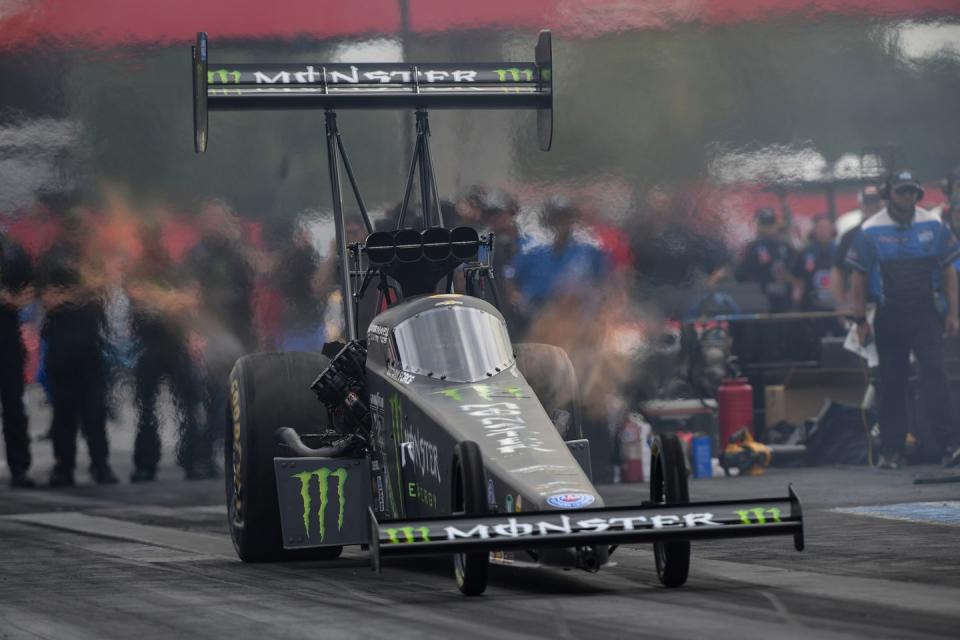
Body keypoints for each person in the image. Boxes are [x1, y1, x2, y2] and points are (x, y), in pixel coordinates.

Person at [846, 170, 960, 469]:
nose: (907, 196)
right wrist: (859, 321)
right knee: (891, 381)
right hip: (889, 314)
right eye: (901, 191)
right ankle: (891, 451)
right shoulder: (870, 230)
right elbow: (857, 278)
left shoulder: (934, 225)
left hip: (926, 312)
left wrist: (953, 313)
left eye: (912, 191)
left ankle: (951, 445)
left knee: (935, 375)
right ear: (889, 194)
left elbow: (950, 272)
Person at [37, 225, 118, 486]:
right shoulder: (51, 259)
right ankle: (64, 466)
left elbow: (104, 286)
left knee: (95, 413)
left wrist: (73, 292)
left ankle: (100, 464)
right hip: (61, 348)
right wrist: (82, 290)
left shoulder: (95, 259)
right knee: (64, 413)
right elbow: (49, 299)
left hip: (91, 348)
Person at [126, 231, 204, 482]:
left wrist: (159, 299)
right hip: (149, 345)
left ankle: (192, 461)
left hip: (174, 346)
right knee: (148, 409)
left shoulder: (177, 271)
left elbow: (190, 299)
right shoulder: (138, 272)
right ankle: (147, 464)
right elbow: (136, 293)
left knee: (187, 408)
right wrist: (168, 300)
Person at [509, 196, 608, 319]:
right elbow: (512, 280)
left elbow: (603, 282)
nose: (561, 223)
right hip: (537, 313)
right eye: (556, 218)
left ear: (573, 220)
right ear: (547, 220)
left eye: (565, 218)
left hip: (575, 312)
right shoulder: (531, 251)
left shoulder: (588, 251)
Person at [0, 230, 35, 487]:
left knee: (14, 407)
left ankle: (19, 467)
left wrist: (13, 299)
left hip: (7, 341)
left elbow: (32, 287)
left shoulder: (13, 252)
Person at [831, 185, 883, 311]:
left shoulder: (892, 230)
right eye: (868, 202)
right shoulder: (850, 236)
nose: (872, 207)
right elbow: (838, 271)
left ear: (881, 204)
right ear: (861, 205)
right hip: (859, 302)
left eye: (875, 202)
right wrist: (840, 305)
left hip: (889, 302)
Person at [736, 208, 795, 313]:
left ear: (776, 225)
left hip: (784, 300)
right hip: (758, 301)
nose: (767, 228)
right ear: (758, 225)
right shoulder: (751, 248)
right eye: (764, 224)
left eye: (770, 224)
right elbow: (740, 275)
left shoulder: (786, 247)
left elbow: (796, 271)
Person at [791, 215, 836, 311]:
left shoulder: (840, 252)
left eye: (826, 228)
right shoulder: (804, 253)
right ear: (814, 230)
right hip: (810, 305)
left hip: (834, 305)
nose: (823, 231)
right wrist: (797, 290)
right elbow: (796, 276)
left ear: (833, 230)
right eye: (820, 227)